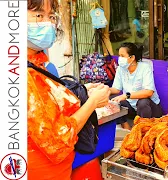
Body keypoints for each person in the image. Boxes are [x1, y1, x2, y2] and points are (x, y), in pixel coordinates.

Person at [27, 0, 111, 179]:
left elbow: (48, 101)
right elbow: (56, 141)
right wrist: (92, 102)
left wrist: (82, 91)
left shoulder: (37, 63)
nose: (48, 24)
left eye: (51, 16)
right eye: (38, 15)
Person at [110, 43, 162, 130]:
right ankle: (125, 125)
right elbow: (116, 89)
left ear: (132, 57)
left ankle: (141, 129)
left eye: (122, 56)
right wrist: (103, 89)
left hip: (150, 109)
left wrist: (126, 95)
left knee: (143, 102)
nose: (120, 58)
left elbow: (149, 92)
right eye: (119, 55)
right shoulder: (120, 69)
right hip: (132, 108)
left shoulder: (145, 67)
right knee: (113, 99)